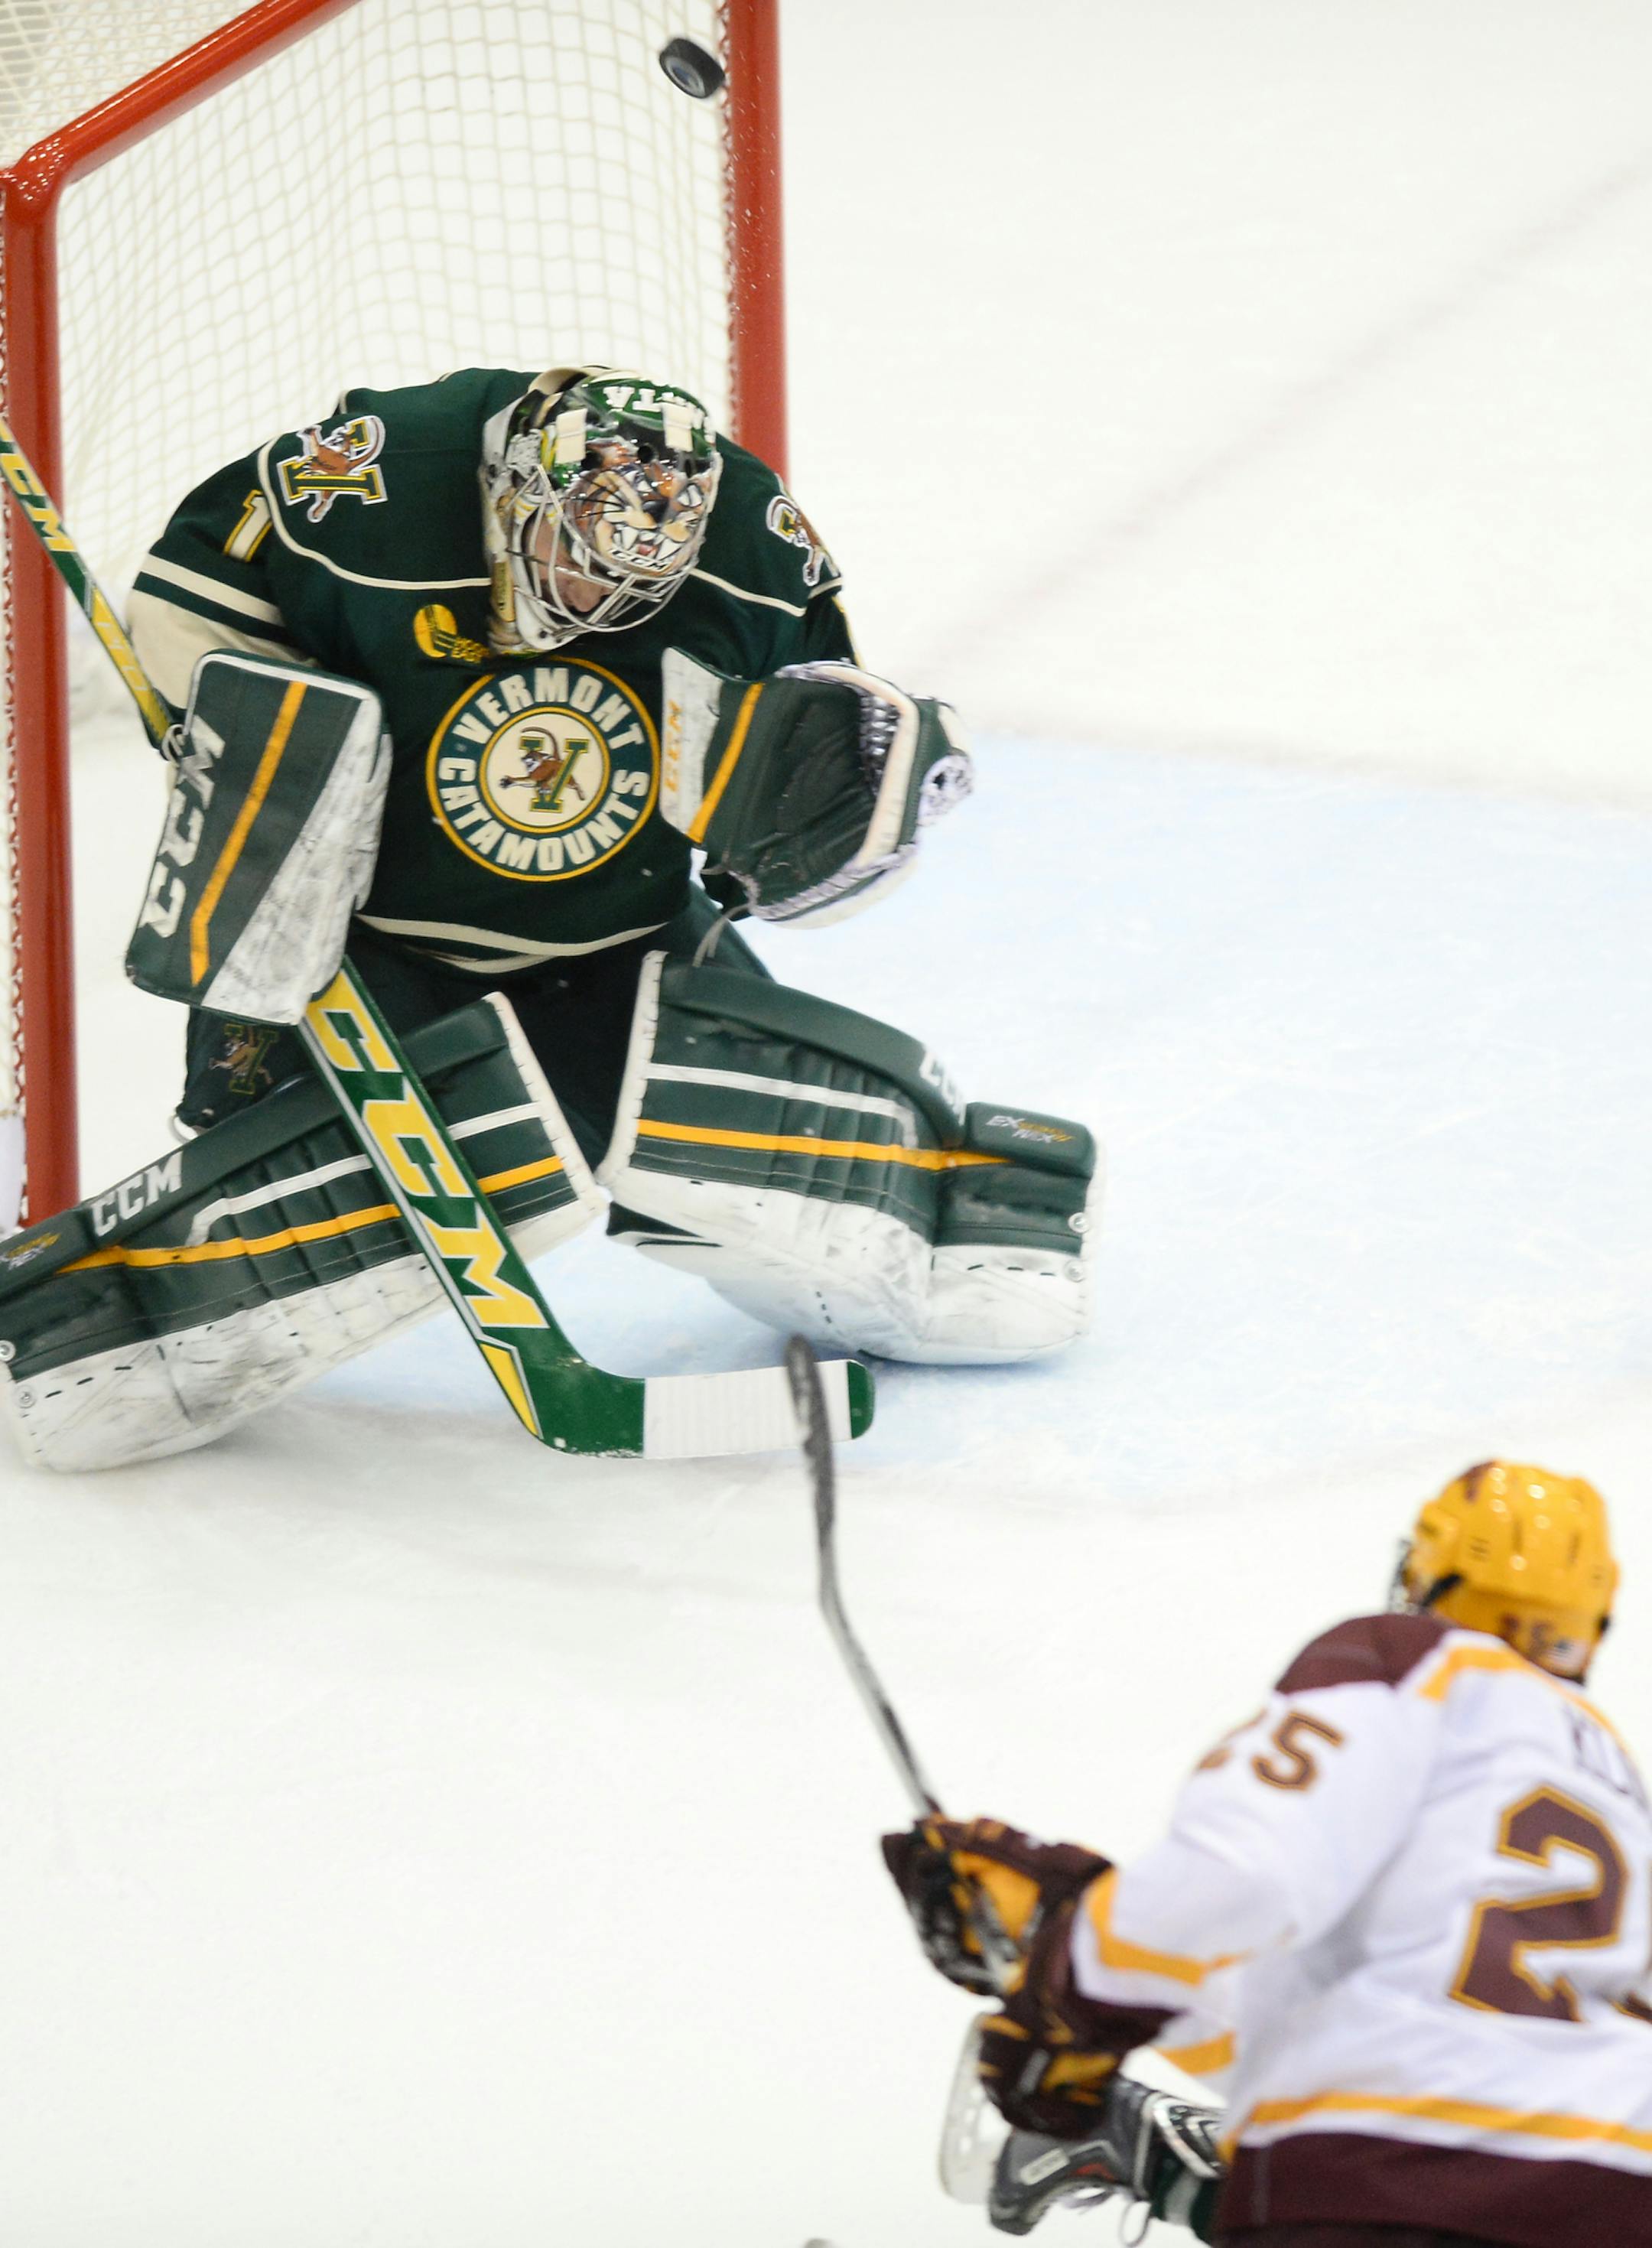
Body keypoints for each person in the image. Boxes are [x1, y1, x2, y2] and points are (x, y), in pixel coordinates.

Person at [0, 366, 1098, 1472]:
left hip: (620, 931)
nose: (601, 605)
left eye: (638, 580)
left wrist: (825, 811)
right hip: (365, 938)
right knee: (367, 1195)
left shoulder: (755, 546)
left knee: (729, 1145)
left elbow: (801, 743)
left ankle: (952, 1217)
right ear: (518, 492)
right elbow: (192, 601)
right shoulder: (374, 477)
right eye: (578, 561)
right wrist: (256, 742)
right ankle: (103, 1317)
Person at [886, 1461, 1652, 2244]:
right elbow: (1364, 2021)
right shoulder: (1627, 1798)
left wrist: (1069, 1989)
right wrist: (1064, 1932)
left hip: (1391, 2188)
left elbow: (1238, 1873)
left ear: (1430, 1563)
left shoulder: (1415, 1662)